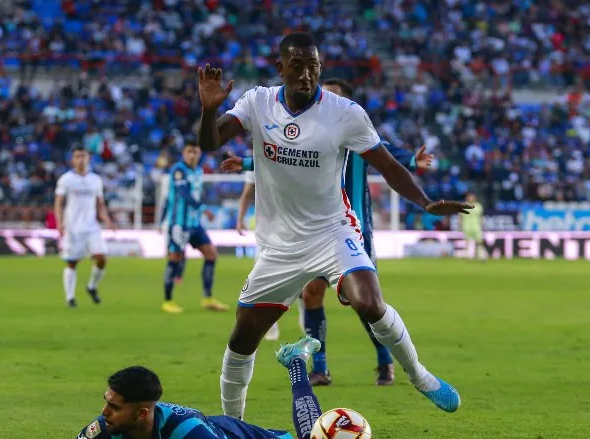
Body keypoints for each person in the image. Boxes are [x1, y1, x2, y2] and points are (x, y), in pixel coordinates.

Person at [198, 32, 472, 419]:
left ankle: (420, 376)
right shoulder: (257, 102)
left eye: (313, 66)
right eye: (296, 66)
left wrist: (425, 202)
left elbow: (389, 166)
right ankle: (232, 425)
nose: (305, 75)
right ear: (280, 68)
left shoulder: (345, 113)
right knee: (243, 337)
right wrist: (208, 111)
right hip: (278, 246)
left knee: (369, 301)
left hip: (332, 232)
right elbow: (210, 143)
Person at [223, 78, 436, 386]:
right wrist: (244, 163)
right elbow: (281, 153)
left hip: (352, 231)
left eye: (335, 96)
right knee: (311, 294)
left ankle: (385, 361)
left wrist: (414, 161)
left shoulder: (356, 132)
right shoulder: (311, 132)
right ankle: (320, 368)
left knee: (365, 303)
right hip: (314, 232)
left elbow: (392, 160)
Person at [50, 337, 326, 439]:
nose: (104, 412)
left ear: (141, 414)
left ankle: (296, 362)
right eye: (106, 401)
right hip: (210, 429)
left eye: (114, 406)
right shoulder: (109, 425)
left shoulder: (185, 432)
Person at [161, 139, 229, 314]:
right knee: (175, 258)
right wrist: (204, 209)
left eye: (195, 152)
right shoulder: (178, 170)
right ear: (184, 153)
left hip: (195, 223)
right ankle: (168, 301)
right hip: (179, 224)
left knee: (211, 254)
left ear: (199, 154)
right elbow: (184, 194)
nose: (192, 155)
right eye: (189, 151)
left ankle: (207, 299)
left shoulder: (199, 170)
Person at [54, 147, 114, 308]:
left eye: (83, 156)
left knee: (101, 258)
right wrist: (59, 223)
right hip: (73, 227)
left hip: (92, 227)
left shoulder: (96, 180)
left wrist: (108, 220)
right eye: (77, 156)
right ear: (72, 160)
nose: (80, 159)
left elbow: (100, 204)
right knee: (72, 262)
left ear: (88, 158)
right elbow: (59, 203)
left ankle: (92, 286)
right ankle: (70, 298)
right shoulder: (66, 179)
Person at [228, 164, 280, 340]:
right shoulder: (257, 161)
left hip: (294, 228)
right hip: (265, 232)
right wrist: (240, 218)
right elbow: (247, 193)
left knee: (302, 279)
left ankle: (305, 313)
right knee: (263, 279)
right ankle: (270, 325)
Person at [460, 192, 487, 260]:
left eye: (472, 196)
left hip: (476, 226)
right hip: (466, 226)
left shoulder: (478, 206)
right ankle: (467, 255)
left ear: (474, 197)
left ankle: (480, 255)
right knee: (467, 242)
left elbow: (481, 216)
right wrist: (460, 226)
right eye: (469, 196)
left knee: (479, 241)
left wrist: (482, 225)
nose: (470, 198)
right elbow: (460, 217)